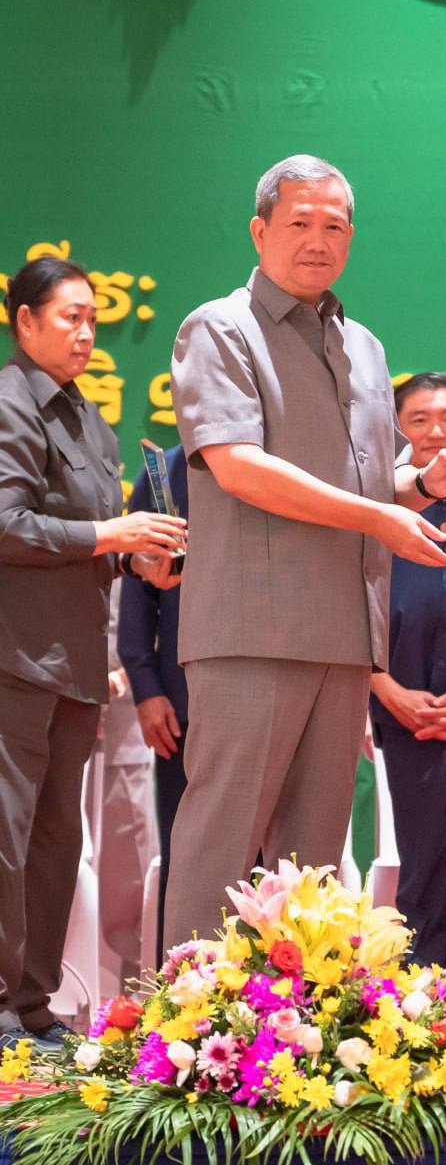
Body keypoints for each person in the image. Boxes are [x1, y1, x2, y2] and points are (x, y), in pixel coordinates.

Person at [164, 154, 446, 949]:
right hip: (251, 631)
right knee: (222, 847)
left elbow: (366, 480)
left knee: (312, 866)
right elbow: (238, 466)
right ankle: (181, 1017)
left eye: (334, 226)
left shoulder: (364, 346)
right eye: (299, 222)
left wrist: (421, 484)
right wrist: (378, 513)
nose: (317, 240)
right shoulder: (219, 328)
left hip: (344, 637)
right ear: (259, 231)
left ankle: (294, 1021)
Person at [0, 258, 186, 1054]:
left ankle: (33, 1005)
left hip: (75, 666)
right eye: (69, 317)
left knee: (54, 842)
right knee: (6, 838)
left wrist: (135, 560)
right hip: (13, 660)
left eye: (92, 320)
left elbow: (84, 546)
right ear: (25, 322)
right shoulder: (10, 405)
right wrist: (112, 535)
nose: (84, 333)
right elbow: (7, 523)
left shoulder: (91, 421)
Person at [370, 373, 446, 967]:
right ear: (396, 429)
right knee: (421, 866)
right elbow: (347, 601)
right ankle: (421, 995)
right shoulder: (375, 509)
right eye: (419, 419)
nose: (436, 431)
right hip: (406, 709)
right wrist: (387, 690)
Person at [118, 444, 189, 968]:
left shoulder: (280, 467)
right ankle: (179, 993)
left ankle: (272, 1000)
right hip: (181, 705)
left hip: (271, 693)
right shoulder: (163, 472)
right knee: (183, 856)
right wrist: (146, 687)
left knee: (271, 861)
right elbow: (138, 590)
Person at [97, 580, 158, 988]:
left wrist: (121, 680)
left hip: (126, 719)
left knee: (129, 856)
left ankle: (137, 977)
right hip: (57, 703)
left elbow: (157, 624)